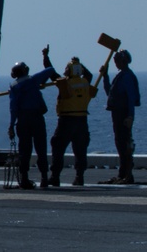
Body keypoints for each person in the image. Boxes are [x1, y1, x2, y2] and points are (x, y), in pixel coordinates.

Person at [45, 53, 96, 186]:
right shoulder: (85, 82)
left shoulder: (64, 83)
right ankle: (80, 177)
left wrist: (46, 57)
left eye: (67, 68)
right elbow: (89, 75)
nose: (65, 71)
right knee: (80, 150)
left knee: (58, 147)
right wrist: (78, 64)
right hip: (82, 120)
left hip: (66, 120)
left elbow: (51, 73)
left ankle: (55, 176)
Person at [8, 51, 56, 189]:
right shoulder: (33, 80)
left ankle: (24, 179)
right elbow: (50, 70)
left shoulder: (14, 87)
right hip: (36, 118)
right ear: (25, 70)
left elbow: (13, 109)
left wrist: (11, 126)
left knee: (24, 150)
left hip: (22, 120)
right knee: (41, 148)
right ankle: (44, 178)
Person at [99, 49, 141, 184]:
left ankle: (127, 174)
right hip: (117, 113)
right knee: (120, 143)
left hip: (123, 114)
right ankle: (123, 173)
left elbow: (130, 98)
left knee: (125, 143)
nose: (115, 63)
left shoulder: (127, 76)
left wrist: (130, 116)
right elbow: (110, 93)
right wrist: (105, 76)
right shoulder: (121, 76)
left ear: (123, 61)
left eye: (117, 60)